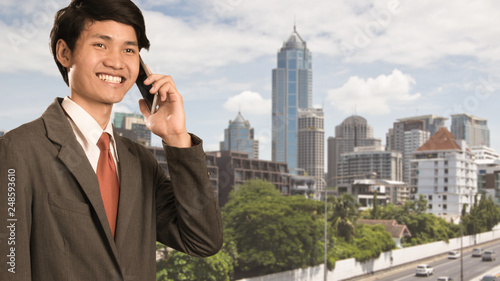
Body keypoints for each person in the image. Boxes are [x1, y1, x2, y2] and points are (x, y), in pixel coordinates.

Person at [0, 0, 223, 280]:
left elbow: (203, 241)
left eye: (129, 50)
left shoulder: (140, 161)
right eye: (101, 45)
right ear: (64, 52)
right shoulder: (19, 150)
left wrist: (176, 136)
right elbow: (8, 266)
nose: (117, 62)